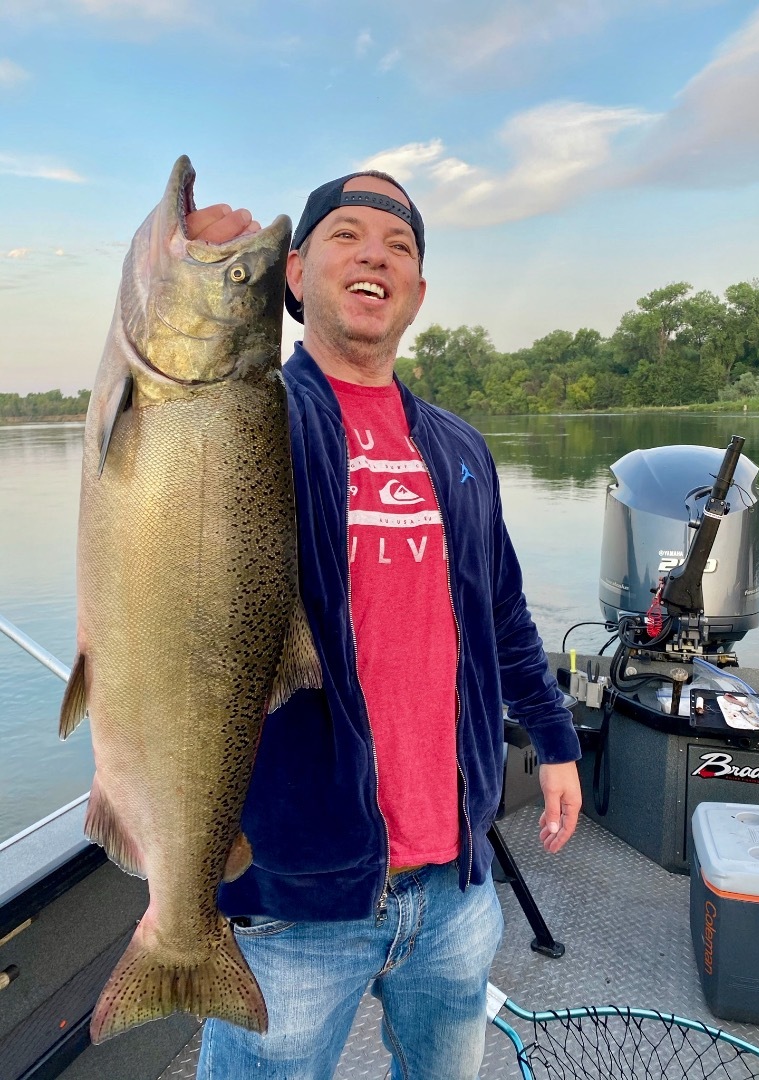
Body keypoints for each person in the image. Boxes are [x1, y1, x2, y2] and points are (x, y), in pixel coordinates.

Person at [186, 171, 582, 1080]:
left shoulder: (459, 446)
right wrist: (204, 271)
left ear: (418, 292)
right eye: (346, 235)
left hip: (454, 886)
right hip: (292, 901)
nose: (374, 255)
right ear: (291, 273)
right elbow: (162, 400)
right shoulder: (246, 422)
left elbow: (503, 614)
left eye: (398, 246)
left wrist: (554, 742)